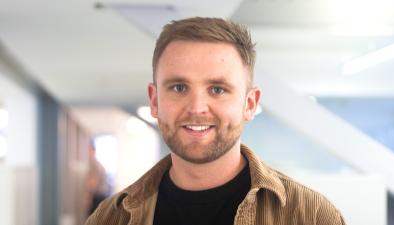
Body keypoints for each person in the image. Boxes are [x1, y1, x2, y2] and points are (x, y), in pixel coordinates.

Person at [85, 17, 346, 225]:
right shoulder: (110, 218)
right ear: (154, 101)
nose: (197, 108)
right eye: (178, 88)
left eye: (218, 89)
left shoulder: (310, 216)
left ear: (250, 103)